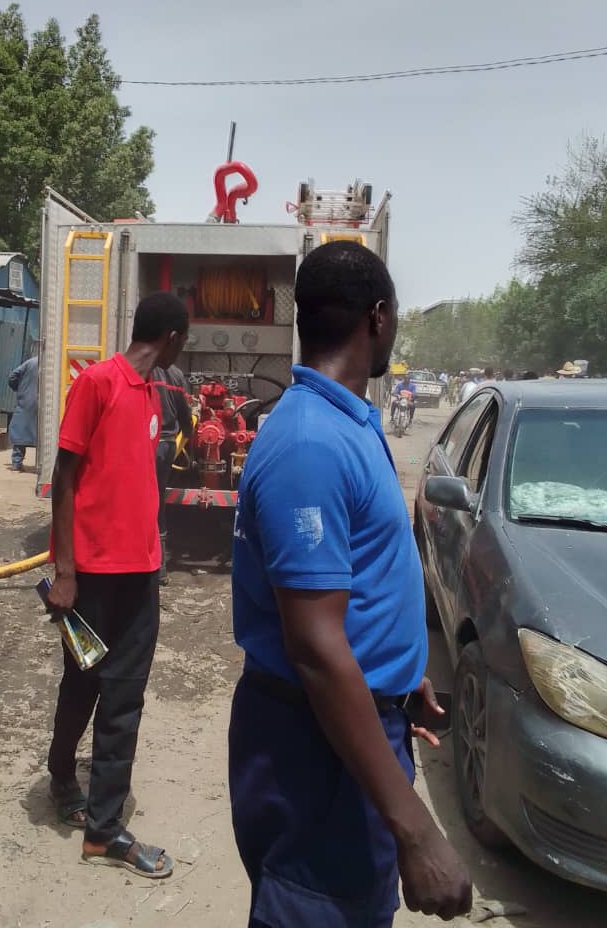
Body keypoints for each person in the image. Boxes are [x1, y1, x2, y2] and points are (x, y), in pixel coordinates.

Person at [229, 241, 472, 927]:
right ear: (379, 318)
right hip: (317, 748)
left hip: (351, 723)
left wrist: (400, 676)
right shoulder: (309, 442)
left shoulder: (348, 420)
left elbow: (354, 582)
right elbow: (313, 647)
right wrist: (417, 829)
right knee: (319, 909)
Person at [44, 292, 189, 880]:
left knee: (122, 695)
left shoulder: (154, 393)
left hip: (139, 577)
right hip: (92, 580)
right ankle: (67, 784)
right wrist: (66, 572)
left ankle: (99, 823)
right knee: (81, 684)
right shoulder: (98, 383)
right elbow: (63, 475)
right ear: (174, 337)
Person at [151, 363, 192, 585]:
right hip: (166, 445)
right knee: (157, 501)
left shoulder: (140, 368)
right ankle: (159, 568)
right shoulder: (175, 374)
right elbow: (185, 412)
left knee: (142, 501)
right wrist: (189, 433)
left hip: (145, 444)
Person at [7, 354, 39, 472]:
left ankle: (17, 463)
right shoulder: (55, 364)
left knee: (21, 430)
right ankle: (42, 465)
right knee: (44, 434)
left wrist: (18, 388)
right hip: (48, 403)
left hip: (26, 401)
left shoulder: (30, 362)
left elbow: (13, 377)